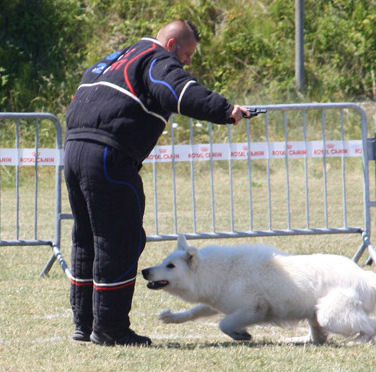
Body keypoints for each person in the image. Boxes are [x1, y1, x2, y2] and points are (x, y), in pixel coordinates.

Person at [63, 19, 249, 346]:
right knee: (118, 240)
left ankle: (85, 322)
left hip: (74, 149)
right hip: (108, 156)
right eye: (188, 54)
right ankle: (110, 328)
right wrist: (225, 110)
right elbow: (180, 91)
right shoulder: (156, 59)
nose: (188, 62)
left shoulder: (113, 60)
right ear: (173, 44)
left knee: (86, 238)